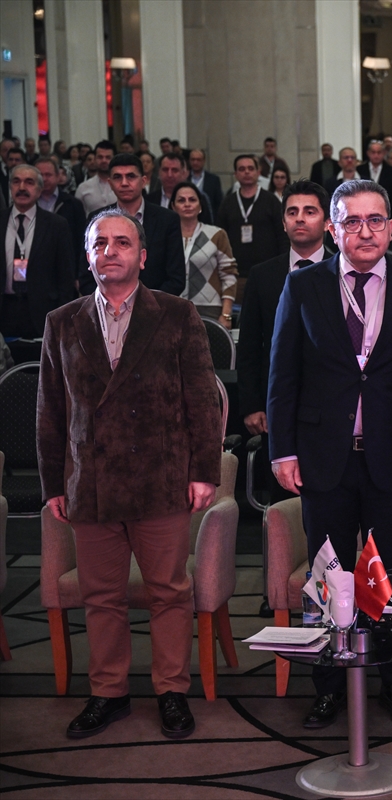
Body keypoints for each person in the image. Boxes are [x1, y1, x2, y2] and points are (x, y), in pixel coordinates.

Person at [267, 180, 392, 730]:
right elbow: (283, 374)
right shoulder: (303, 286)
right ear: (333, 228)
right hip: (325, 457)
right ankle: (327, 686)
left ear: (391, 227)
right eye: (351, 221)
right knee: (329, 574)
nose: (364, 231)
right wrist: (282, 450)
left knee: (388, 576)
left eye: (375, 220)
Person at [38, 208, 223, 741]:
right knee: (101, 597)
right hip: (90, 482)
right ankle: (109, 693)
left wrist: (204, 471)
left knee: (169, 592)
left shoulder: (177, 314)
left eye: (122, 243)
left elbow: (202, 401)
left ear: (142, 256)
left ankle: (171, 692)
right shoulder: (61, 321)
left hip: (161, 477)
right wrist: (53, 484)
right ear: (88, 256)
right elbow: (50, 410)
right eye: (100, 243)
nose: (110, 251)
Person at [238, 181, 333, 438]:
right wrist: (251, 405)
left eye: (310, 212)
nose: (299, 218)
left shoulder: (344, 273)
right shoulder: (262, 275)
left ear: (327, 222)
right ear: (283, 223)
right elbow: (248, 347)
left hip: (332, 405)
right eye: (292, 212)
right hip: (274, 404)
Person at [80, 154, 186, 297]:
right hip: (106, 305)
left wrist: (144, 304)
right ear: (110, 183)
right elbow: (86, 276)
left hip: (156, 305)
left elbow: (176, 279)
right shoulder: (97, 220)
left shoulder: (167, 219)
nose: (124, 183)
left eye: (131, 176)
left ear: (143, 181)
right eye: (118, 177)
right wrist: (113, 303)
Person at [1, 164, 76, 342]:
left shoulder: (57, 225)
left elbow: (66, 277)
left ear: (40, 189)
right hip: (4, 309)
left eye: (29, 182)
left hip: (42, 311)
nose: (21, 187)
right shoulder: (1, 220)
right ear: (10, 187)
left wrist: (61, 319)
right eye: (16, 181)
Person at [215, 155, 287, 285]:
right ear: (236, 174)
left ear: (258, 173)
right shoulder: (227, 203)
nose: (247, 172)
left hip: (268, 272)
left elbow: (283, 236)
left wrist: (281, 267)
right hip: (235, 274)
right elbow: (220, 238)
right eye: (242, 169)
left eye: (250, 168)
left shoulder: (271, 201)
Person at [173, 182, 237, 327]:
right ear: (173, 206)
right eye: (181, 200)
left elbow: (229, 275)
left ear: (200, 206)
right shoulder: (167, 235)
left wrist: (226, 314)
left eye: (192, 200)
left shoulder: (217, 234)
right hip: (174, 308)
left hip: (210, 310)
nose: (187, 204)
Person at [35, 157, 86, 259]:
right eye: (40, 175)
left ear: (58, 176)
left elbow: (81, 239)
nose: (44, 179)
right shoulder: (28, 203)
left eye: (48, 175)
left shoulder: (73, 204)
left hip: (66, 258)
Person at [155, 152, 213, 224]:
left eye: (174, 170)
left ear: (184, 173)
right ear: (159, 172)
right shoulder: (148, 200)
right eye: (165, 170)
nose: (169, 175)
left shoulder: (199, 197)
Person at [356, 139, 392, 223]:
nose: (376, 155)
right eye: (373, 152)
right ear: (368, 153)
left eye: (379, 152)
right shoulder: (360, 170)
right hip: (363, 213)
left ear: (384, 153)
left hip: (385, 214)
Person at [75, 140, 117, 215]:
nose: (104, 160)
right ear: (95, 159)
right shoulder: (83, 188)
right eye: (100, 157)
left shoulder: (123, 185)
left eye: (108, 157)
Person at [188, 149, 224, 213]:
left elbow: (218, 202)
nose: (195, 162)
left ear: (203, 161)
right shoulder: (184, 178)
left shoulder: (213, 180)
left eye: (198, 160)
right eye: (193, 160)